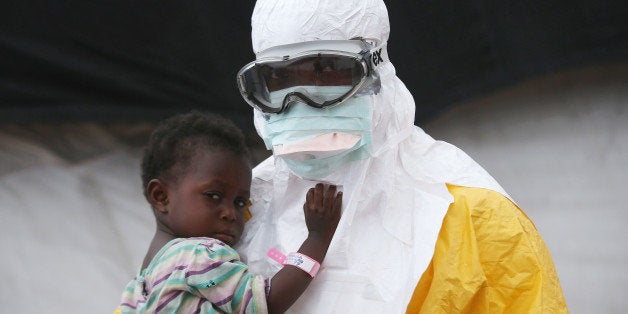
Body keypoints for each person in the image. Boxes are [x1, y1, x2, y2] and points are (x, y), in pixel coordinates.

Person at [234, 0, 568, 313]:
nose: (301, 100)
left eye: (324, 70)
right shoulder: (241, 204)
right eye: (278, 78)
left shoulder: (472, 215)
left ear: (375, 70)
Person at [115, 111, 342, 313]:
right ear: (161, 196)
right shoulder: (196, 254)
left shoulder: (138, 285)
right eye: (213, 196)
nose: (230, 213)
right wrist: (317, 238)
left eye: (240, 202)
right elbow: (266, 302)